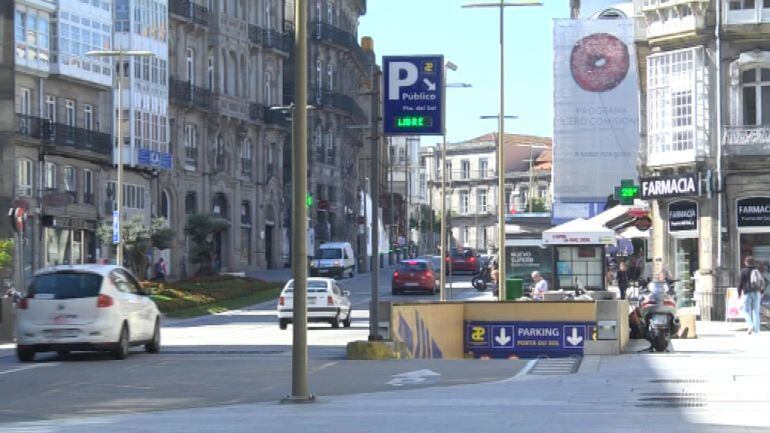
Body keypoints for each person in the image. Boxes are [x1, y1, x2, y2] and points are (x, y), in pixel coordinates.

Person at [738, 256, 765, 335]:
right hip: (757, 293)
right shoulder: (757, 271)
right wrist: (762, 291)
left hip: (747, 292)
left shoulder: (743, 271)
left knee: (745, 310)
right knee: (756, 311)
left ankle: (750, 325)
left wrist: (739, 293)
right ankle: (757, 330)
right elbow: (761, 282)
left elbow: (740, 283)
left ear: (746, 262)